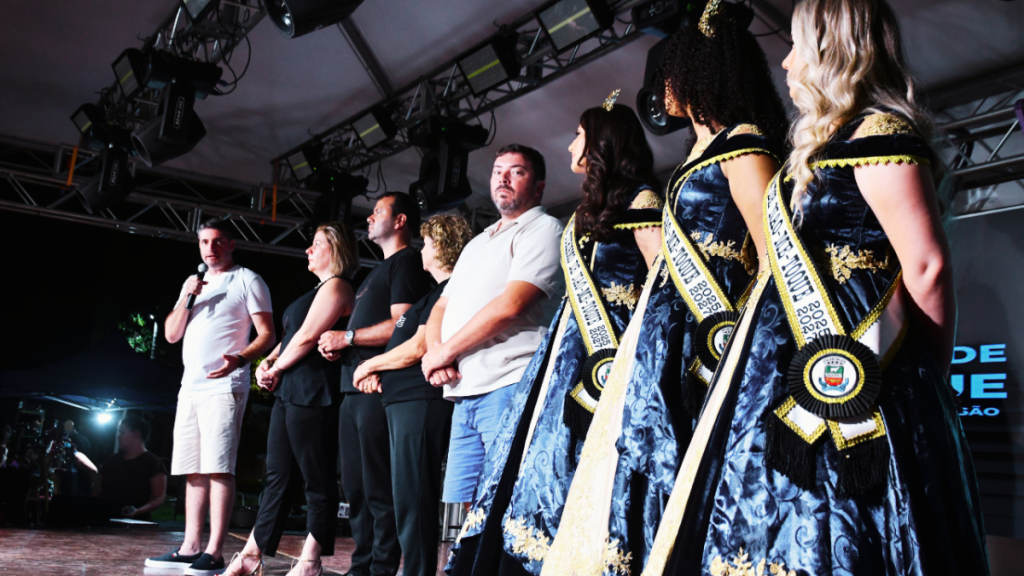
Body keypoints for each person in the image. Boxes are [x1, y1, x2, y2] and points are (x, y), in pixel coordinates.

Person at [639, 1, 990, 575]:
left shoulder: (880, 133)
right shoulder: (824, 144)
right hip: (784, 369)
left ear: (832, 50)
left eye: (797, 46)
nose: (785, 61)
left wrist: (924, 381)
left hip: (865, 366)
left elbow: (926, 266)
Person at [541, 3, 789, 574]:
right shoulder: (697, 154)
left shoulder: (744, 144)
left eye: (671, 72)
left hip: (706, 330)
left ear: (700, 71)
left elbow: (773, 253)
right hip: (667, 332)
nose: (662, 87)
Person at [447, 97, 664, 576]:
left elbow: (662, 283)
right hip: (568, 350)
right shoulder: (590, 210)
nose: (570, 145)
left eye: (579, 136)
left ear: (601, 143)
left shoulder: (642, 201)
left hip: (608, 351)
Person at [420, 144, 564, 512]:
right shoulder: (477, 242)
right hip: (464, 388)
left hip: (510, 381)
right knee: (470, 506)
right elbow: (441, 306)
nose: (503, 178)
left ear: (539, 186)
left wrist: (444, 352)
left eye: (517, 171)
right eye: (498, 170)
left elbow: (512, 305)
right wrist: (437, 356)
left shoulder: (544, 228)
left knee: (506, 499)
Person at [221, 222, 359, 576]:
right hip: (290, 390)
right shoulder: (315, 291)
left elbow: (309, 337)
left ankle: (310, 560)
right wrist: (267, 364)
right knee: (278, 475)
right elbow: (291, 336)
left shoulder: (338, 286)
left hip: (314, 392)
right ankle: (251, 555)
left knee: (316, 477)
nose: (308, 250)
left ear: (336, 250)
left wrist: (276, 368)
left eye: (317, 244)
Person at [147, 218, 276, 576]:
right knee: (193, 467)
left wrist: (242, 359)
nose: (210, 248)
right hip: (190, 387)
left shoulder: (247, 279)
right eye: (204, 242)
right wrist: (187, 297)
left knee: (219, 466)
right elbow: (171, 335)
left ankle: (215, 552)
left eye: (218, 241)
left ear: (231, 244)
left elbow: (267, 333)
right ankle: (190, 547)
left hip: (225, 385)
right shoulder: (193, 284)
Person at [350, 214, 474, 576]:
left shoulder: (450, 290)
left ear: (444, 246)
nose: (422, 249)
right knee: (405, 496)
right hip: (400, 402)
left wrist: (368, 366)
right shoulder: (431, 294)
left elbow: (419, 347)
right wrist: (379, 373)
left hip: (420, 402)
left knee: (414, 497)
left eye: (428, 243)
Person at [319, 193, 434, 576]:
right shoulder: (376, 271)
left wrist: (349, 338)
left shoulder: (406, 262)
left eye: (377, 212)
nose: (368, 218)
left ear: (400, 221)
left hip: (375, 389)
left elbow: (404, 323)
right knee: (355, 487)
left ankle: (381, 568)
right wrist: (342, 345)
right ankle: (362, 565)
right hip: (352, 389)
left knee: (377, 486)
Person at [93, 412, 167, 520]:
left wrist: (137, 511)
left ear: (135, 434)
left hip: (136, 524)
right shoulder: (113, 460)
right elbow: (97, 490)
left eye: (122, 432)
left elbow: (158, 498)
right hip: (105, 520)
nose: (118, 437)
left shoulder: (153, 463)